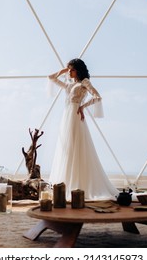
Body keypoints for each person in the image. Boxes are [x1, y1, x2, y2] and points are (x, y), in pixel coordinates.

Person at [47, 58, 118, 201]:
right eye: (69, 69)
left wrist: (82, 107)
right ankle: (65, 185)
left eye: (72, 69)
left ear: (78, 70)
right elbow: (51, 78)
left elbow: (98, 97)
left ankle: (78, 185)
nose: (70, 72)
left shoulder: (84, 83)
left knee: (76, 147)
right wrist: (63, 70)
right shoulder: (70, 84)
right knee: (66, 149)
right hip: (67, 117)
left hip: (75, 116)